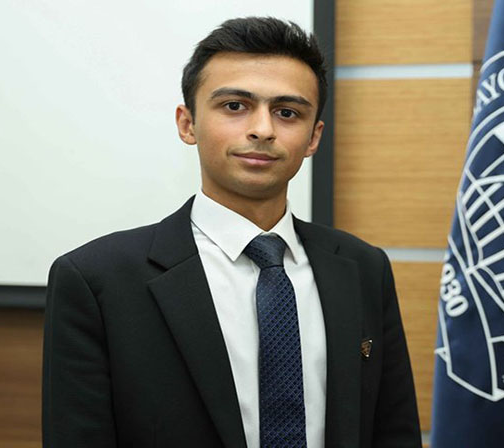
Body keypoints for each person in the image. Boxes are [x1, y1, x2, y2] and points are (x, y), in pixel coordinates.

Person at [42, 16, 421, 448]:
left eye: (287, 113)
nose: (263, 129)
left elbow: (394, 431)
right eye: (235, 106)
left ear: (314, 137)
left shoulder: (363, 267)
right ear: (187, 124)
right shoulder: (96, 280)